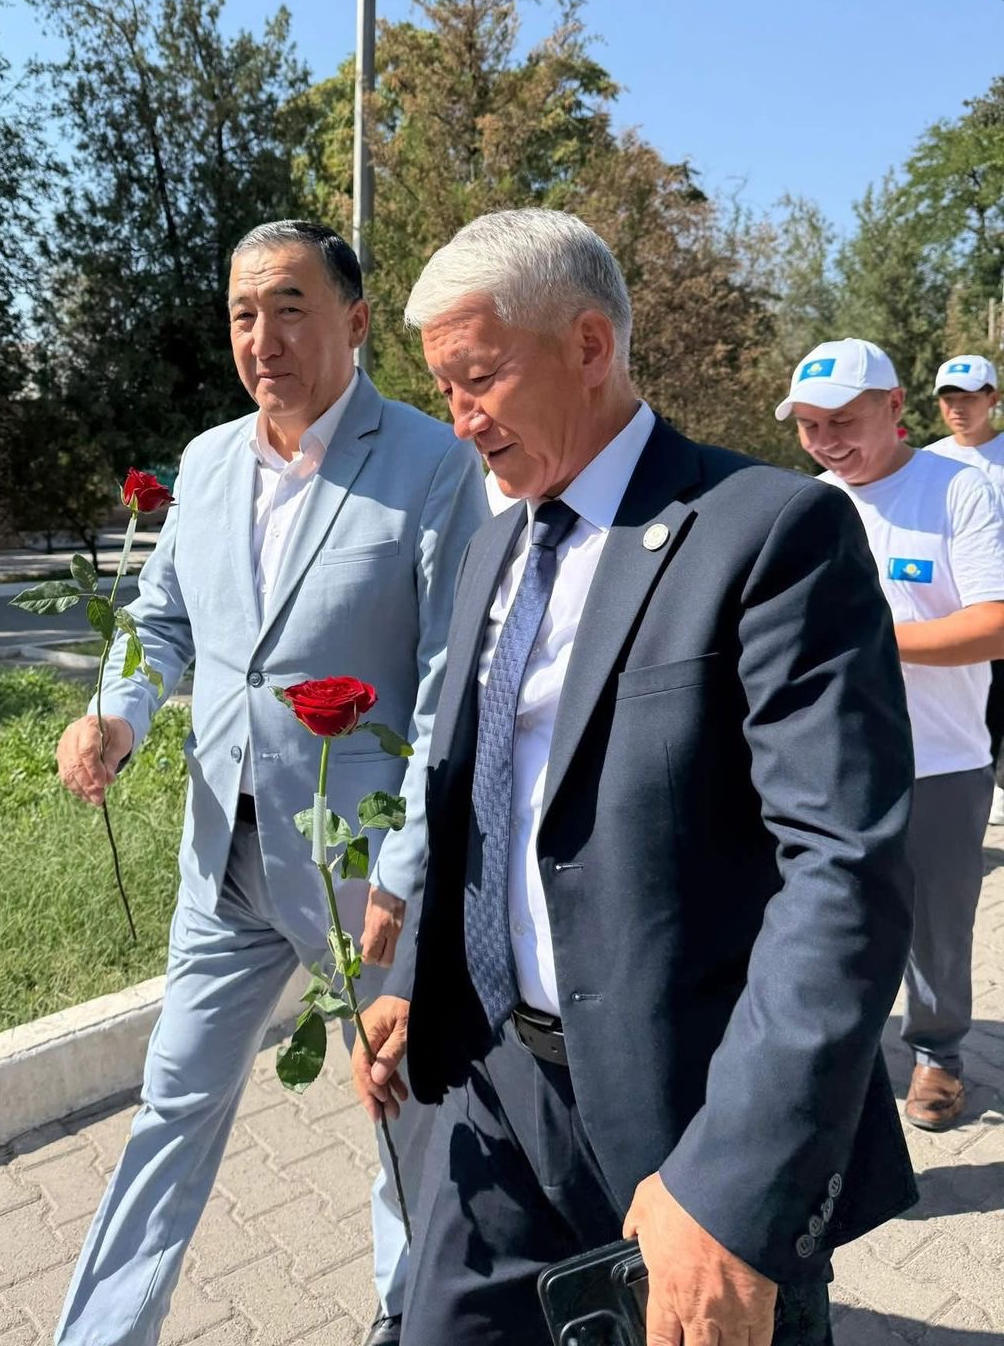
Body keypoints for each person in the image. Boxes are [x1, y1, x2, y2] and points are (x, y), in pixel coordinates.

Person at [353, 210, 917, 1346]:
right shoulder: (495, 546)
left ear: (589, 345)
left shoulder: (769, 533)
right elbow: (479, 789)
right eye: (444, 389)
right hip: (495, 1093)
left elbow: (843, 873)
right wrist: (416, 974)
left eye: (480, 379)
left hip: (687, 1118)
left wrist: (734, 1184)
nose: (460, 419)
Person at [52, 220, 488, 1346]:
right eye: (244, 314)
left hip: (359, 873)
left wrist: (405, 870)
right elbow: (162, 622)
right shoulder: (206, 463)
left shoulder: (431, 465)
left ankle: (409, 1315)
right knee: (172, 1103)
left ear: (354, 320)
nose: (264, 337)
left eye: (291, 308)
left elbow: (448, 685)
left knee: (398, 1111)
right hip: (225, 857)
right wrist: (118, 714)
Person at [780, 338, 1004, 1130]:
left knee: (936, 925)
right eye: (808, 425)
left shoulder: (957, 490)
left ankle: (939, 1054)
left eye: (842, 421)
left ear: (895, 406)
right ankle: (841, 1058)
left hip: (940, 759)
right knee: (834, 920)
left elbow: (993, 624)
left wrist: (868, 639)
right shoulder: (807, 504)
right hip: (830, 759)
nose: (825, 441)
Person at [926, 354, 1004, 825]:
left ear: (993, 399)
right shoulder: (930, 461)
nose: (958, 408)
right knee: (973, 698)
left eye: (969, 398)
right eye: (949, 398)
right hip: (957, 608)